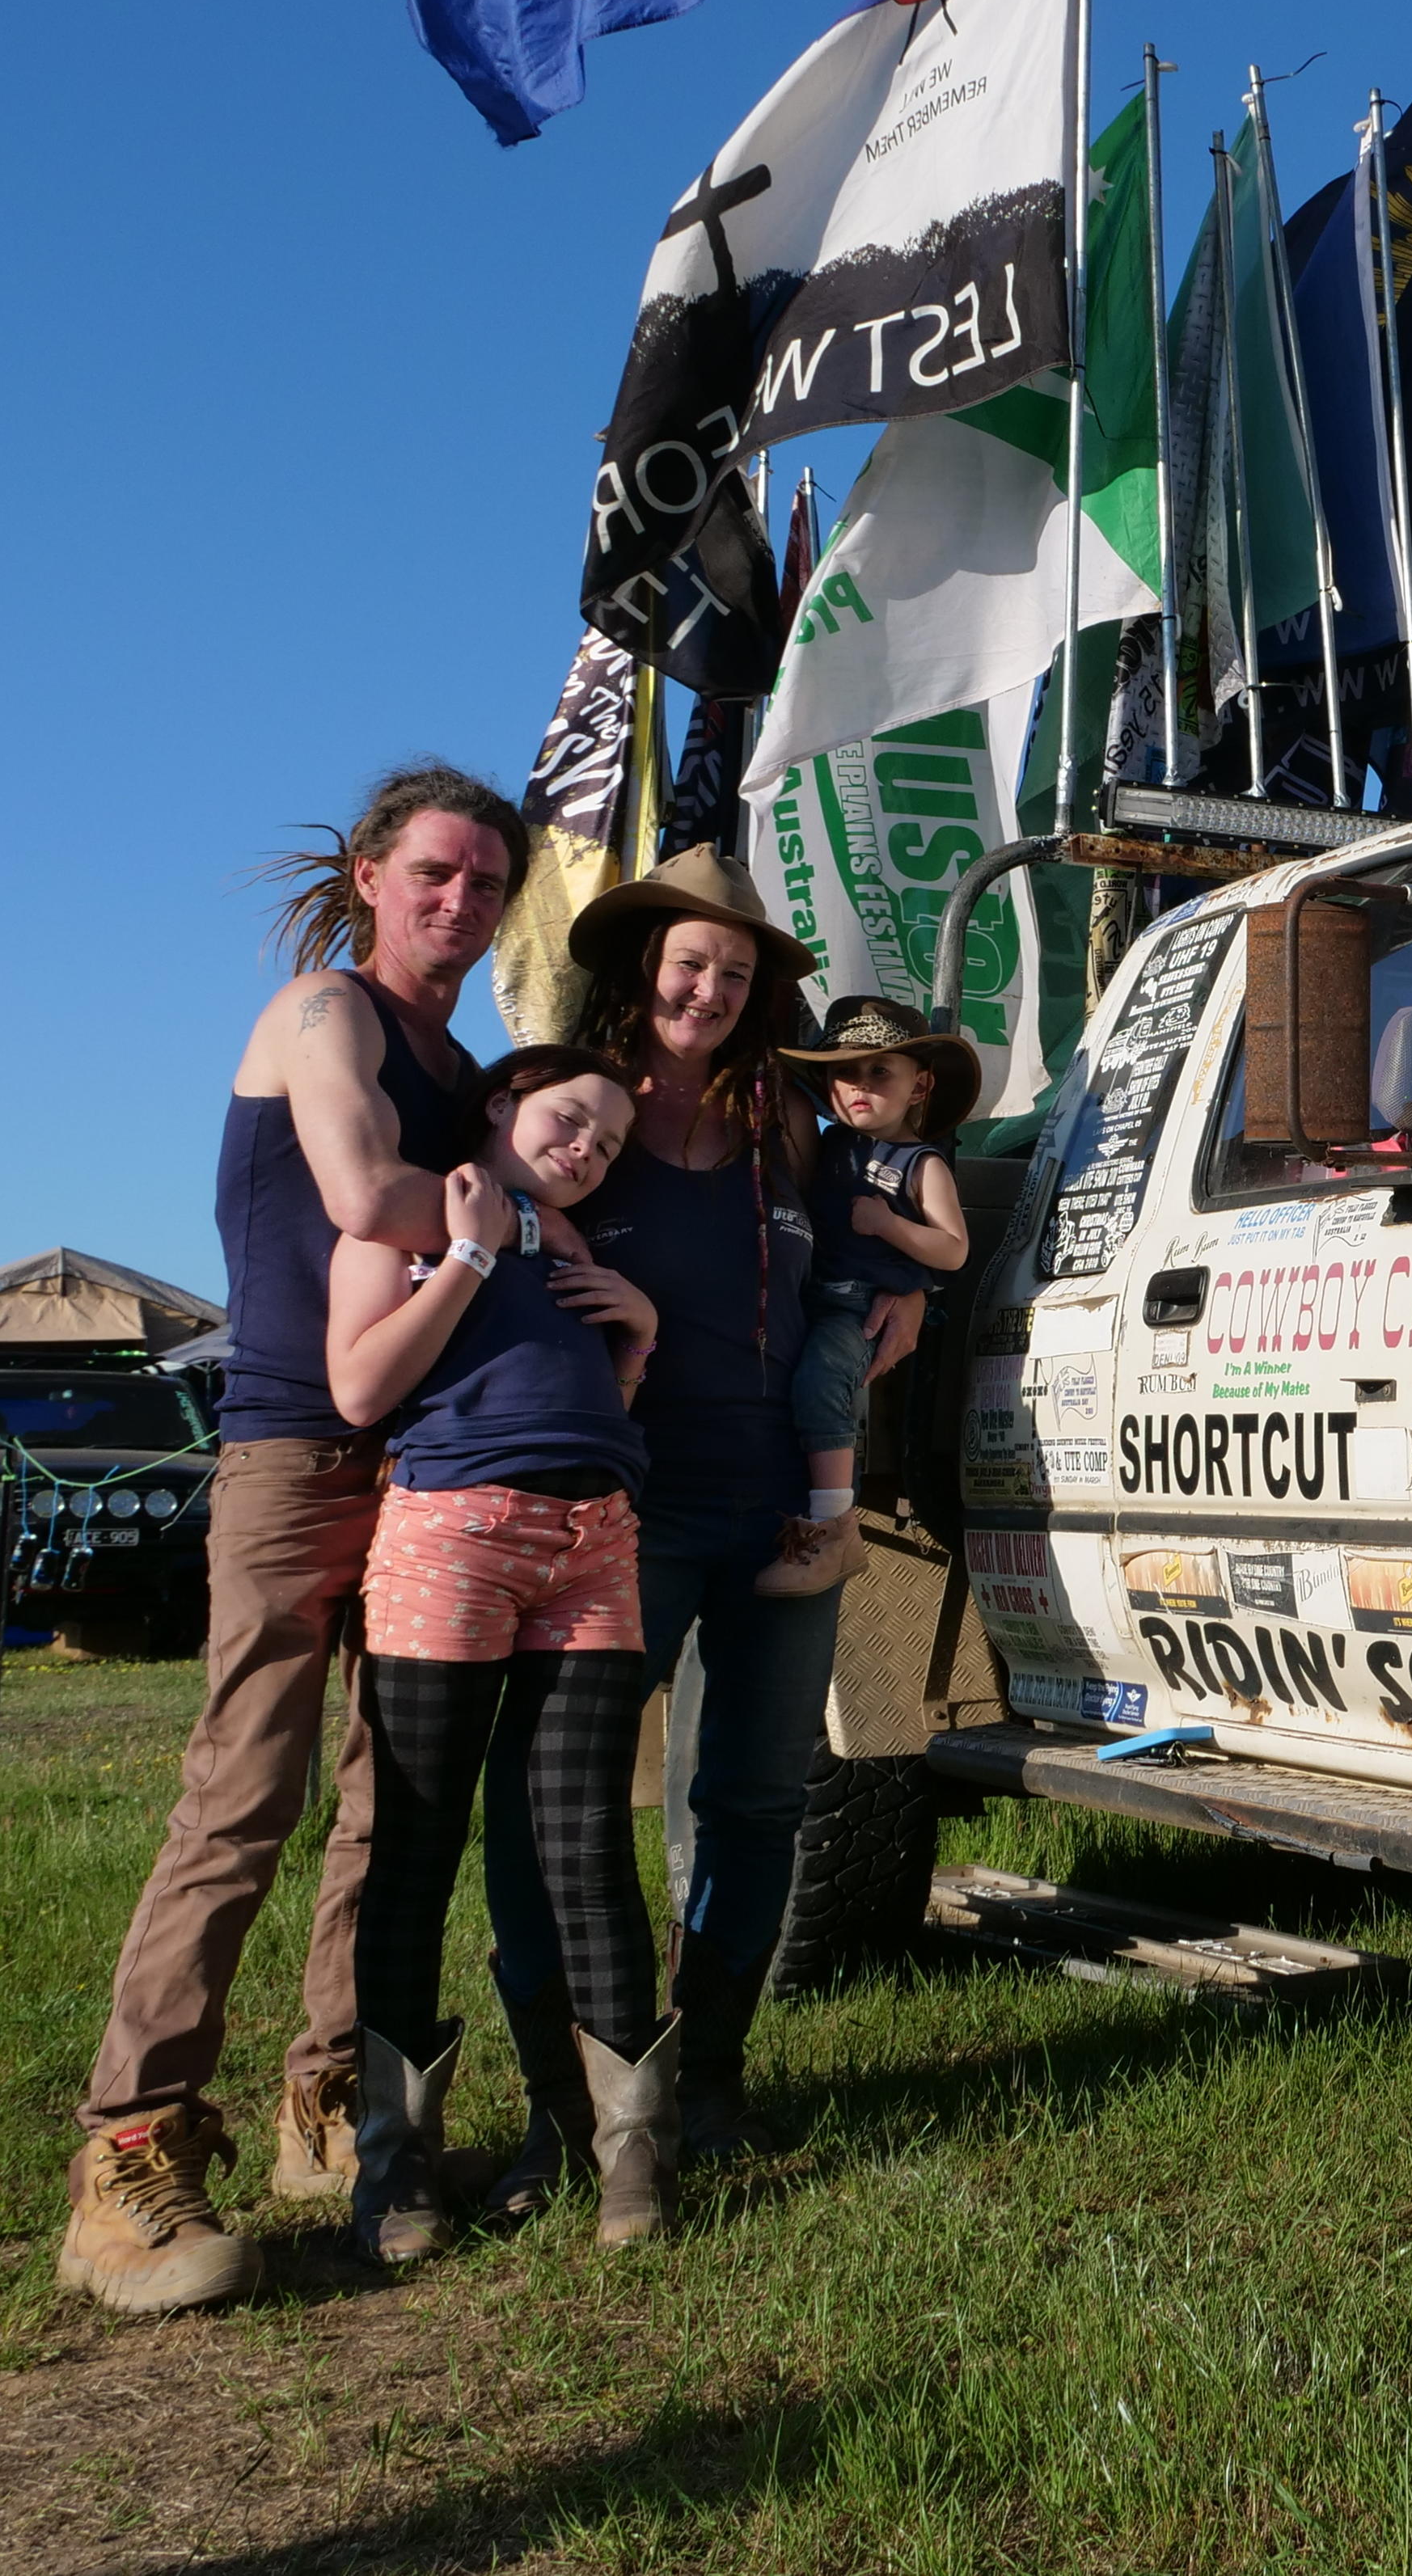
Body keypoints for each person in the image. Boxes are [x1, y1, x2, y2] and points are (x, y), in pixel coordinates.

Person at [57, 762, 547, 2317]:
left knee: (386, 1799)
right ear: (368, 872)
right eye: (434, 874)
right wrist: (518, 1215)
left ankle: (329, 2105)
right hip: (287, 1451)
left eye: (485, 883)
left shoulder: (456, 1059)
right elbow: (364, 1193)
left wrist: (498, 1211)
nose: (459, 903)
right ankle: (126, 2152)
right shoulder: (325, 1016)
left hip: (417, 1463)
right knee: (245, 1792)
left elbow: (469, 1208)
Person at [474, 848, 926, 2195]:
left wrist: (906, 1294)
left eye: (737, 971)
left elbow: (871, 1230)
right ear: (640, 972)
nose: (713, 987)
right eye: (691, 963)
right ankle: (571, 2103)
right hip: (617, 1508)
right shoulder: (572, 1123)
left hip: (782, 1512)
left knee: (755, 1798)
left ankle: (708, 2080)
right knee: (552, 1807)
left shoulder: (787, 1126)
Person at [321, 1044, 670, 2261]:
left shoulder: (575, 1249)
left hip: (593, 1546)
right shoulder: (407, 1220)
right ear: (502, 1109)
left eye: (608, 1143)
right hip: (449, 1546)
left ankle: (632, 2149)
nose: (586, 1148)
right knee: (419, 1839)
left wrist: (638, 1343)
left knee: (587, 1842)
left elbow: (582, 1402)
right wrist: (468, 1255)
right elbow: (360, 1387)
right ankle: (397, 2165)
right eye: (569, 1120)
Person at [758, 997, 975, 1598]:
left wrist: (890, 1227)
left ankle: (834, 1528)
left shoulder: (922, 1163)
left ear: (920, 1085)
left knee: (822, 1381)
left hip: (859, 1304)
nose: (860, 1085)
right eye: (845, 1072)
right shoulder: (827, 1147)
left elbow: (953, 1248)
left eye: (881, 1071)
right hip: (808, 1298)